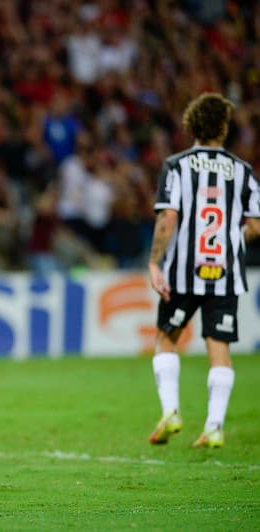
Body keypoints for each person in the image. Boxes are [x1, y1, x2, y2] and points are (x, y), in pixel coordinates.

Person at [147, 93, 260, 449]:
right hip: (225, 273)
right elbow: (256, 225)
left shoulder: (176, 166)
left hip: (184, 271)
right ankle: (214, 426)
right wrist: (234, 239)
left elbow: (168, 217)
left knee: (167, 338)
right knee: (219, 346)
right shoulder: (243, 171)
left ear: (191, 126)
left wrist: (154, 262)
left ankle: (171, 411)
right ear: (224, 128)